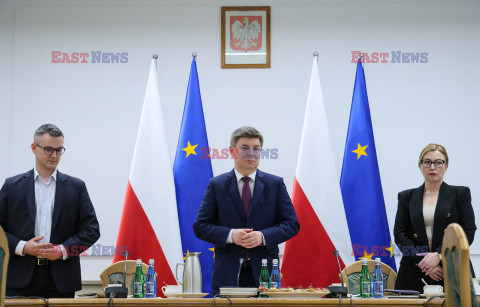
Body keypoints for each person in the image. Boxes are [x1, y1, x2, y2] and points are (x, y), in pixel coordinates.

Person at [193, 126, 299, 295]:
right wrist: (230, 235)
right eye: (245, 148)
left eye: (256, 149)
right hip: (227, 275)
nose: (251, 154)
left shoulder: (275, 184)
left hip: (265, 275)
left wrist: (263, 236)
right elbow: (200, 226)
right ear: (232, 151)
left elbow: (292, 224)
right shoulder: (217, 185)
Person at [0, 124, 100, 298]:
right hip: (17, 279)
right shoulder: (12, 186)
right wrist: (23, 247)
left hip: (62, 281)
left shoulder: (76, 187)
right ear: (33, 148)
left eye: (59, 150)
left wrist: (63, 250)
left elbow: (91, 230)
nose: (54, 155)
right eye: (48, 149)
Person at [393, 143, 476, 292]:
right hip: (414, 270)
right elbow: (400, 235)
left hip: (452, 269)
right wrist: (424, 262)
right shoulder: (406, 197)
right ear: (420, 165)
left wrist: (438, 255)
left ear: (446, 166)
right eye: (427, 162)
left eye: (438, 162)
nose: (432, 167)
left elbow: (467, 232)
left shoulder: (460, 194)